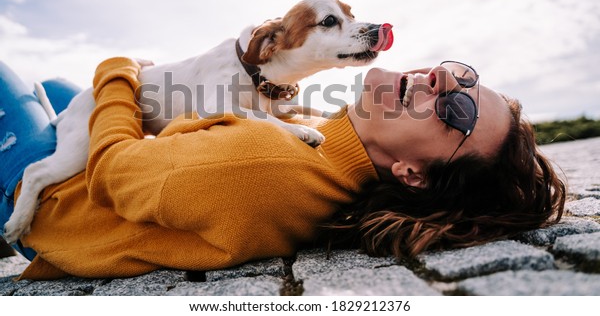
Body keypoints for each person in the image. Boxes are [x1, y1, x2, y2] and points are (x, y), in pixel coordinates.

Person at [0, 57, 565, 280]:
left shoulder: (268, 166)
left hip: (52, 205)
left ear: (412, 174)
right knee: (56, 89)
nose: (442, 81)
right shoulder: (326, 136)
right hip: (84, 169)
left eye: (455, 110)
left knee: (15, 80)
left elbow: (115, 173)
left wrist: (120, 71)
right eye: (460, 76)